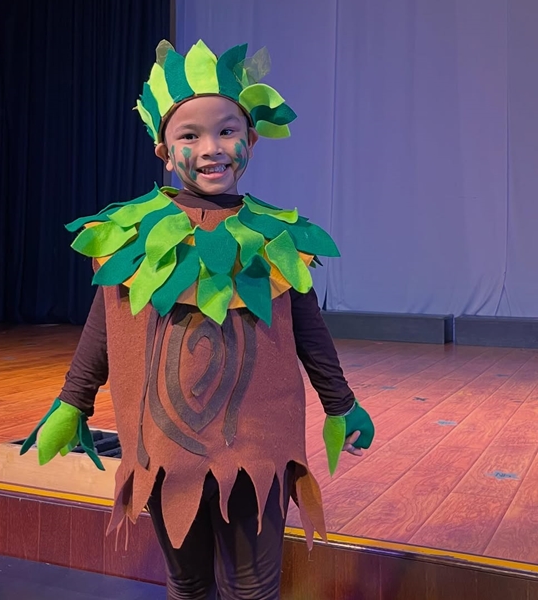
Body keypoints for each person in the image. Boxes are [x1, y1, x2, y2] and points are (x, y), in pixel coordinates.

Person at [20, 40, 376, 599]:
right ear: (164, 150)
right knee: (186, 582)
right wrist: (73, 400)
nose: (211, 148)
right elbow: (104, 324)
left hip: (257, 440)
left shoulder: (276, 235)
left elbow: (309, 331)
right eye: (190, 136)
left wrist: (342, 403)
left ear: (251, 141)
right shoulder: (132, 233)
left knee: (253, 586)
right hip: (165, 442)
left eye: (227, 131)